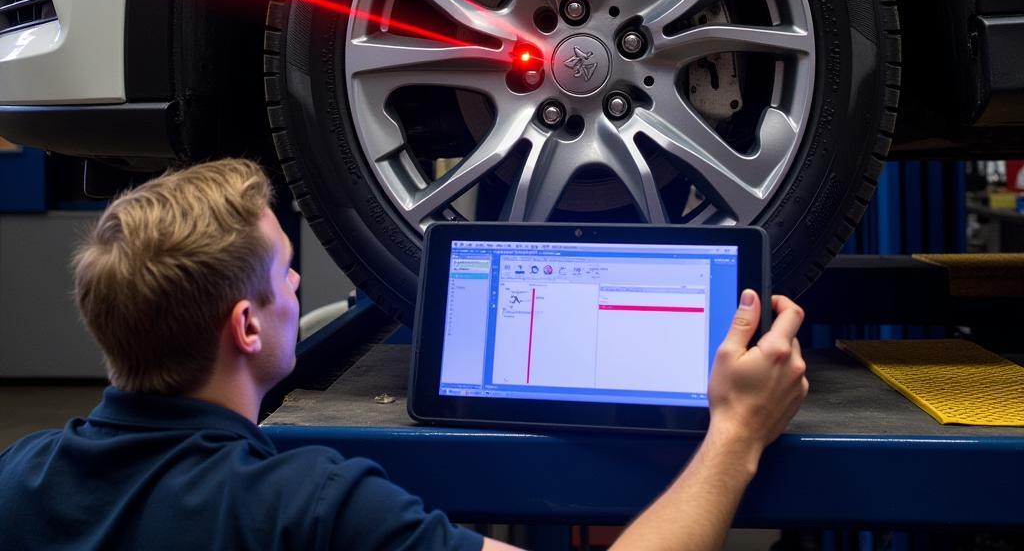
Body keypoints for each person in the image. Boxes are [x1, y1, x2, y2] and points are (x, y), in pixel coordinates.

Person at [0, 159, 808, 551]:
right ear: (247, 329)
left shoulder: (18, 481)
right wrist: (736, 431)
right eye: (287, 273)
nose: (295, 286)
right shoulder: (311, 507)